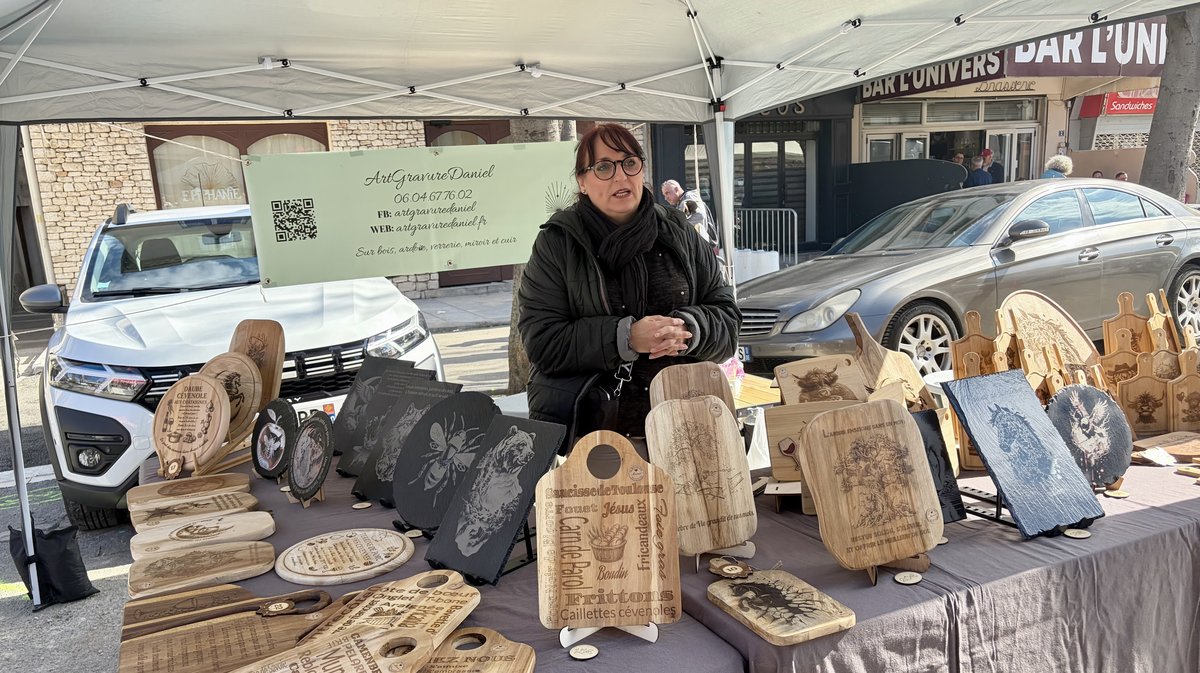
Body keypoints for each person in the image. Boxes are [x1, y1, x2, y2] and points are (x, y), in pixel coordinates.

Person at [518, 124, 740, 447]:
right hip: (592, 440)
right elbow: (543, 342)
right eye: (604, 167)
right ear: (582, 181)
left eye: (630, 163)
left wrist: (689, 329)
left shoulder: (679, 232)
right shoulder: (557, 244)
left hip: (685, 435)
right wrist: (626, 338)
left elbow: (729, 324)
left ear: (642, 170)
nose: (620, 177)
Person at [660, 179, 717, 245]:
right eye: (664, 195)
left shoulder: (689, 196)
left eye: (667, 193)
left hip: (699, 245)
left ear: (676, 189)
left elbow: (700, 215)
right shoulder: (681, 202)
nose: (666, 198)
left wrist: (680, 228)